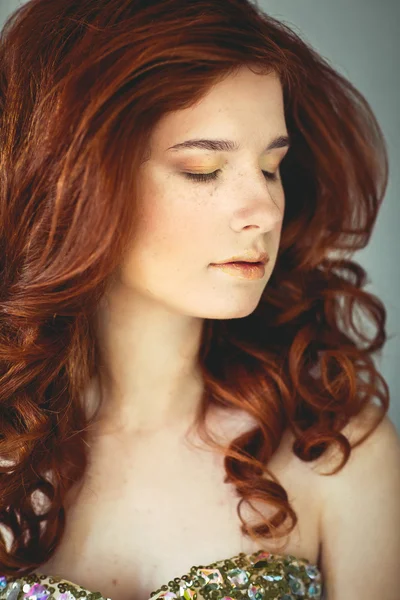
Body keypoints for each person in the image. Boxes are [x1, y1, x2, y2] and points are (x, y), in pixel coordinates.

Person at [0, 0, 399, 599]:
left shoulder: (337, 453)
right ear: (71, 185)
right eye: (203, 169)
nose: (263, 210)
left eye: (271, 167)